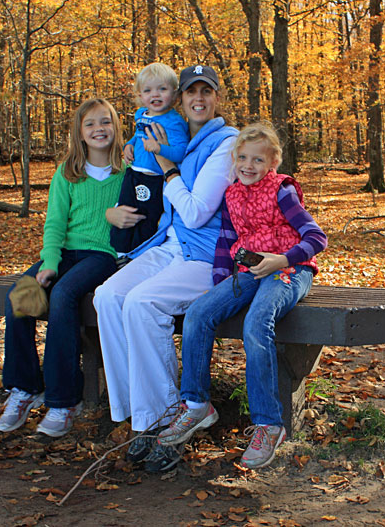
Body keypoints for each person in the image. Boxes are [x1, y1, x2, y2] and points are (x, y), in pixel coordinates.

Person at [156, 122, 327, 469]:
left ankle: (268, 423)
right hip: (248, 270)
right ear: (234, 160)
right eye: (243, 158)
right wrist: (220, 282)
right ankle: (196, 404)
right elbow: (224, 242)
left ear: (273, 163)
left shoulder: (282, 191)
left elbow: (316, 237)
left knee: (256, 321)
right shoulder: (232, 194)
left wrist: (284, 258)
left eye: (258, 160)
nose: (249, 166)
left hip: (289, 270)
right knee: (200, 313)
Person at [93, 65, 238, 473]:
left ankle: (166, 418)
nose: (197, 99)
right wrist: (135, 150)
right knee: (108, 296)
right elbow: (151, 166)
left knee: (142, 303)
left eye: (205, 92)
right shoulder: (181, 133)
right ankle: (139, 416)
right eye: (191, 92)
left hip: (205, 256)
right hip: (169, 244)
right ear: (181, 98)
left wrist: (166, 166)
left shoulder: (224, 144)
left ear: (216, 98)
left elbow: (194, 212)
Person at [0, 98, 126, 438]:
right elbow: (54, 225)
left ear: (115, 128)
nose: (99, 129)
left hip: (102, 255)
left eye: (105, 122)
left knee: (64, 296)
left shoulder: (127, 170)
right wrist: (49, 262)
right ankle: (25, 387)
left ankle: (64, 399)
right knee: (20, 295)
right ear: (80, 133)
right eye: (91, 124)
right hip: (65, 252)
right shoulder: (67, 172)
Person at [111, 62, 190, 254]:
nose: (155, 95)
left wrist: (160, 149)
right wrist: (129, 145)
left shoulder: (174, 122)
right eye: (148, 90)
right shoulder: (141, 115)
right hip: (133, 173)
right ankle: (120, 252)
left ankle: (141, 252)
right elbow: (138, 135)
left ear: (174, 93)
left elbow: (181, 151)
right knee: (125, 209)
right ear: (140, 95)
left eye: (162, 89)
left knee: (146, 217)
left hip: (154, 178)